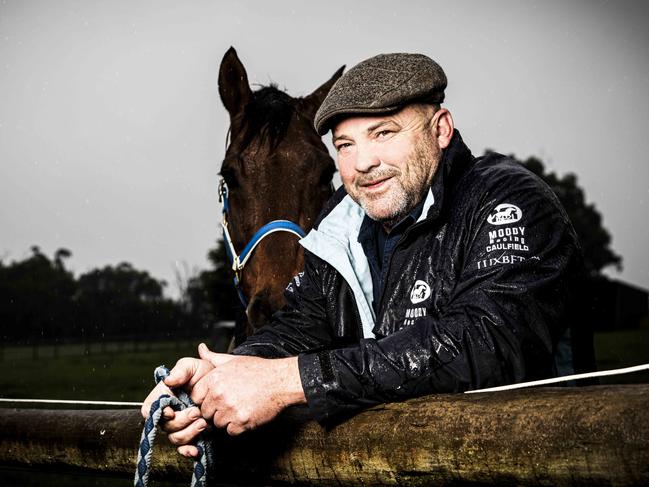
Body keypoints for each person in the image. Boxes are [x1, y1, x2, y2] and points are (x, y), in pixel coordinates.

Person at [142, 52, 584, 457]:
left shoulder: (508, 200)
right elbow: (302, 324)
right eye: (345, 145)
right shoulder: (341, 224)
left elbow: (486, 343)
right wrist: (218, 377)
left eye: (383, 133)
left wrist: (289, 381)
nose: (362, 163)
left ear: (441, 129)